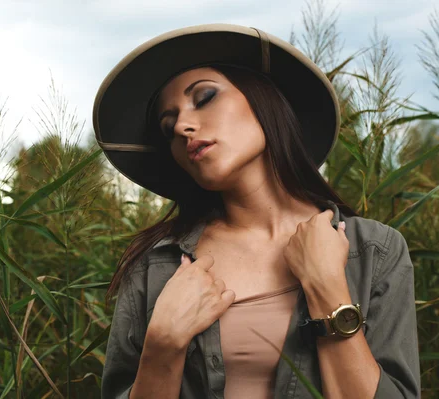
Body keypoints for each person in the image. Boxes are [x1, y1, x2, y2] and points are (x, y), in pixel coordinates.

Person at [92, 24, 421, 398]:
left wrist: (328, 290)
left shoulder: (375, 250)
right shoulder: (155, 266)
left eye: (204, 97)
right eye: (169, 128)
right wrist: (163, 345)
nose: (183, 127)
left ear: (263, 99)